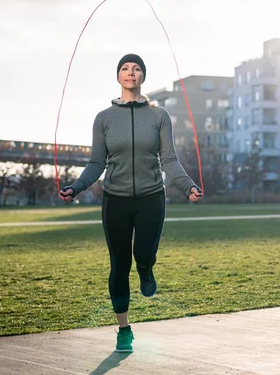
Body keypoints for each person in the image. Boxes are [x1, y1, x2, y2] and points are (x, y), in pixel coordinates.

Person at [58, 53, 203, 353]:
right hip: (116, 200)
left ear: (143, 76)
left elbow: (170, 159)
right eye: (125, 68)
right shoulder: (104, 119)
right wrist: (77, 188)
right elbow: (96, 162)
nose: (130, 72)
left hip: (152, 197)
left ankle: (147, 269)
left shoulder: (159, 116)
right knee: (119, 264)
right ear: (118, 76)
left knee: (143, 254)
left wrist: (188, 186)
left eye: (136, 68)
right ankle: (124, 329)